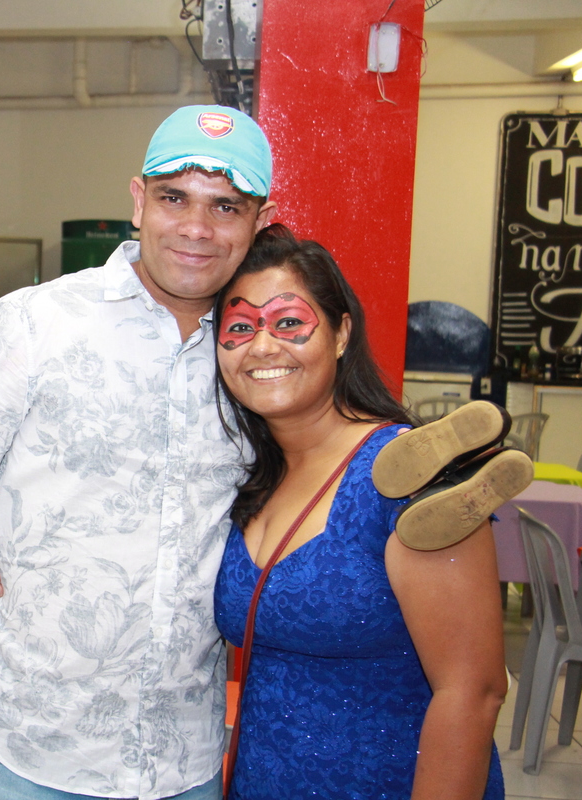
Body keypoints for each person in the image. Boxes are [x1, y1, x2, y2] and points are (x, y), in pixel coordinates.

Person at [0, 104, 276, 800]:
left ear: (260, 222)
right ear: (139, 201)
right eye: (174, 198)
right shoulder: (37, 322)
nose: (197, 228)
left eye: (226, 207)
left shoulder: (261, 355)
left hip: (182, 756)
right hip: (21, 747)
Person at [210, 225, 506, 798]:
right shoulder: (246, 475)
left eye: (288, 323)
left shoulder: (408, 474)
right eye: (240, 328)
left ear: (342, 333)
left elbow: (474, 692)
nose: (262, 346)